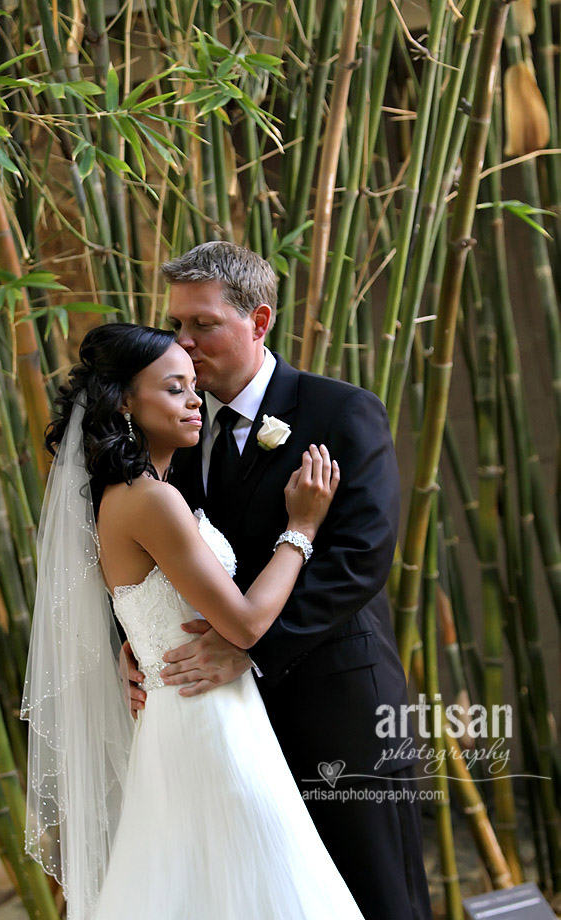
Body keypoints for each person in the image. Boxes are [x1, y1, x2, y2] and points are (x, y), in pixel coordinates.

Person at [122, 242, 433, 920]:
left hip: (335, 695)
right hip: (220, 717)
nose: (184, 342)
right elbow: (162, 557)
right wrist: (137, 642)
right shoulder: (171, 426)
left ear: (258, 321)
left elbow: (359, 555)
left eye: (202, 324)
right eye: (176, 325)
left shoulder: (339, 411)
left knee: (373, 892)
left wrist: (249, 647)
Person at [21, 322, 364, 920]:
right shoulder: (149, 498)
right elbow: (248, 625)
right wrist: (302, 529)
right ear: (126, 403)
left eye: (191, 388)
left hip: (190, 713)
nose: (194, 401)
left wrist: (139, 648)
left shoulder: (134, 492)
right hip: (208, 724)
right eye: (174, 389)